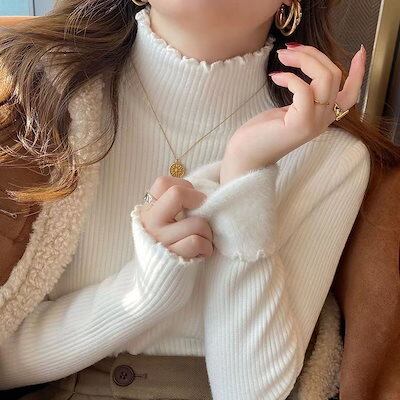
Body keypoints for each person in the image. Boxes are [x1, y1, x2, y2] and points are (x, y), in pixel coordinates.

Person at [0, 0, 398, 399]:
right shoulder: (35, 102)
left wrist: (246, 172)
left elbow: (251, 392)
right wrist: (145, 289)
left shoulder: (331, 157)